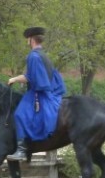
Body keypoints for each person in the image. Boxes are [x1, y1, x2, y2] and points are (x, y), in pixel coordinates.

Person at [6, 26, 66, 161]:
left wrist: (14, 79)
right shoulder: (43, 55)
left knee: (19, 114)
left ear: (32, 40)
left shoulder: (33, 56)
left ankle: (21, 150)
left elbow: (31, 78)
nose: (27, 41)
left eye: (28, 39)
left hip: (39, 93)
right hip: (49, 91)